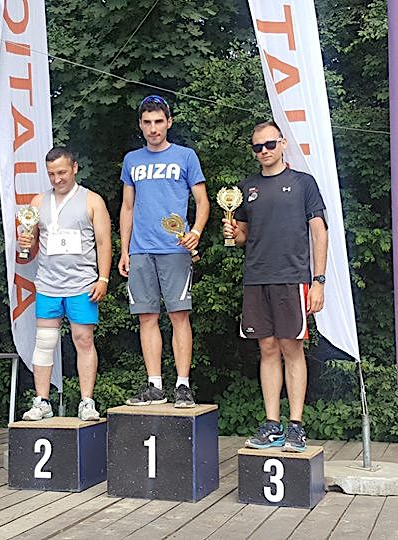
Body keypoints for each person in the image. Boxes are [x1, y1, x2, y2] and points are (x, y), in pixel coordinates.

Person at [223, 121, 328, 452]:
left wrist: (319, 281)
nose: (264, 151)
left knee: (291, 348)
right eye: (258, 147)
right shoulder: (246, 188)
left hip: (292, 277)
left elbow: (319, 232)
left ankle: (296, 426)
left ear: (282, 144)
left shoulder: (303, 183)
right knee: (267, 349)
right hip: (256, 277)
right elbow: (242, 236)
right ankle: (272, 424)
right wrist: (233, 233)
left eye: (270, 144)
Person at [118, 95, 210, 408]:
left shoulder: (185, 156)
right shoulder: (132, 160)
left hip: (175, 248)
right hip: (140, 250)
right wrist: (124, 250)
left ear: (169, 122)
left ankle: (183, 385)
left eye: (159, 121)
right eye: (147, 122)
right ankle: (154, 385)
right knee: (146, 317)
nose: (153, 128)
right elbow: (127, 206)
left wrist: (195, 232)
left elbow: (203, 201)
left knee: (179, 315)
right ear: (140, 125)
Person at [17, 147, 113, 422]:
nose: (57, 179)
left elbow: (104, 242)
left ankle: (87, 401)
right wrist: (25, 243)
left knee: (83, 339)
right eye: (51, 174)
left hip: (82, 284)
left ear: (74, 168)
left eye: (61, 172)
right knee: (45, 341)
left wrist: (103, 278)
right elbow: (30, 247)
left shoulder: (92, 200)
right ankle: (42, 401)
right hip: (48, 283)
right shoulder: (38, 202)